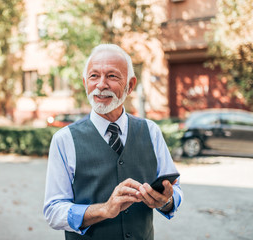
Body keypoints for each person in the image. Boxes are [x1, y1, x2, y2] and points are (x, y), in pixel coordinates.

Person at [43, 44, 183, 240]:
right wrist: (104, 210)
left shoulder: (151, 131)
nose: (101, 85)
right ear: (85, 83)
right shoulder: (64, 139)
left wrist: (165, 202)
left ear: (130, 85)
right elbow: (53, 211)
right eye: (94, 76)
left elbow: (175, 189)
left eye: (112, 76)